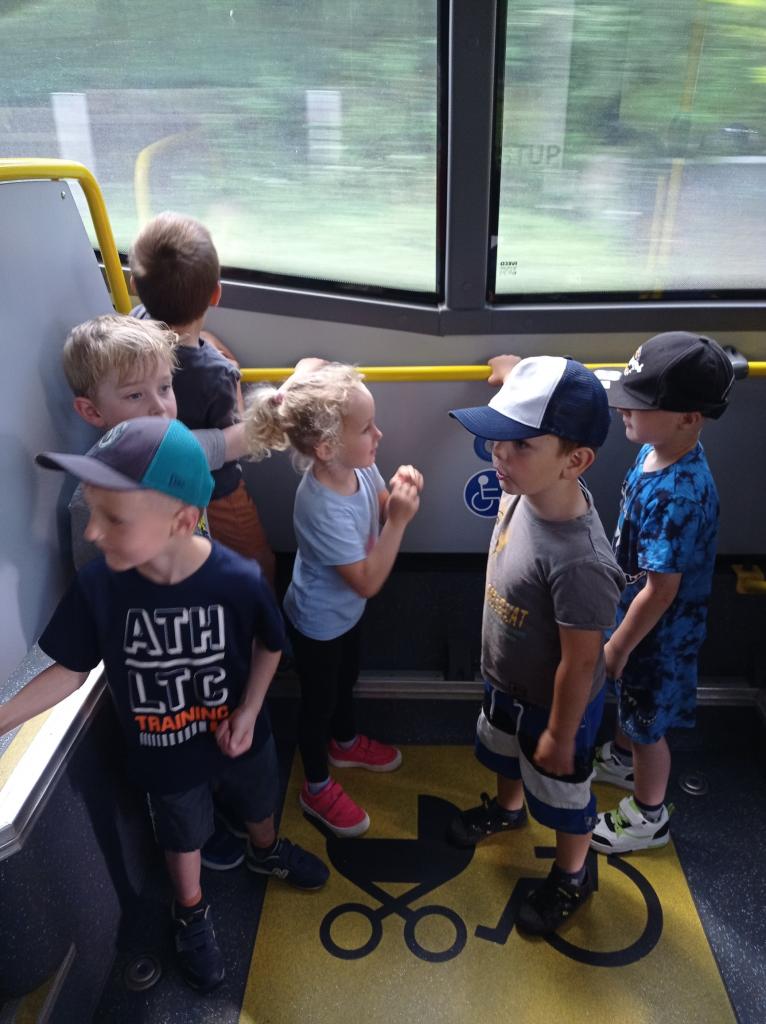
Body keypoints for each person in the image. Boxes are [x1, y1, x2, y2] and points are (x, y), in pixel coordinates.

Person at [0, 418, 329, 993]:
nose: (93, 532)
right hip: (164, 751)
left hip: (238, 735)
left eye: (114, 518)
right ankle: (191, 910)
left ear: (181, 520)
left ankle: (265, 850)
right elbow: (71, 671)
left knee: (259, 804)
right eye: (94, 511)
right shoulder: (99, 587)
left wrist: (250, 710)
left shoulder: (237, 579)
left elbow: (270, 644)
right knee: (182, 836)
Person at [448, 356, 624, 935]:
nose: (498, 454)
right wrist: (511, 370)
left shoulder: (580, 562)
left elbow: (581, 661)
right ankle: (508, 809)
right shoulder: (528, 484)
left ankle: (572, 874)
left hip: (556, 707)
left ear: (576, 461)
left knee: (565, 797)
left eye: (519, 444)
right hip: (505, 677)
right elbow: (525, 389)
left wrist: (560, 734)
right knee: (502, 751)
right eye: (498, 438)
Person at [246, 363, 423, 837]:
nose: (378, 435)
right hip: (319, 622)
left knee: (347, 679)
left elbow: (381, 505)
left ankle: (344, 743)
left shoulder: (358, 466)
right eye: (367, 429)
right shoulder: (320, 504)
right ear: (326, 448)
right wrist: (399, 521)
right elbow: (366, 580)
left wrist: (397, 498)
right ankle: (316, 786)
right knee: (318, 703)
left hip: (346, 614)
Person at [591, 332, 734, 854]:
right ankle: (622, 759)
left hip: (657, 636)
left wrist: (618, 646)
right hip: (636, 617)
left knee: (649, 726)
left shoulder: (679, 495)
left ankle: (648, 816)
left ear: (688, 418)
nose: (623, 408)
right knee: (631, 705)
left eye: (640, 403)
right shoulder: (658, 451)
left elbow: (660, 592)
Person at [129, 211, 276, 584]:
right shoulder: (217, 374)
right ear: (216, 294)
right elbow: (235, 438)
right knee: (257, 562)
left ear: (134, 285)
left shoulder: (133, 327)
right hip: (216, 492)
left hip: (156, 485)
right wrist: (233, 375)